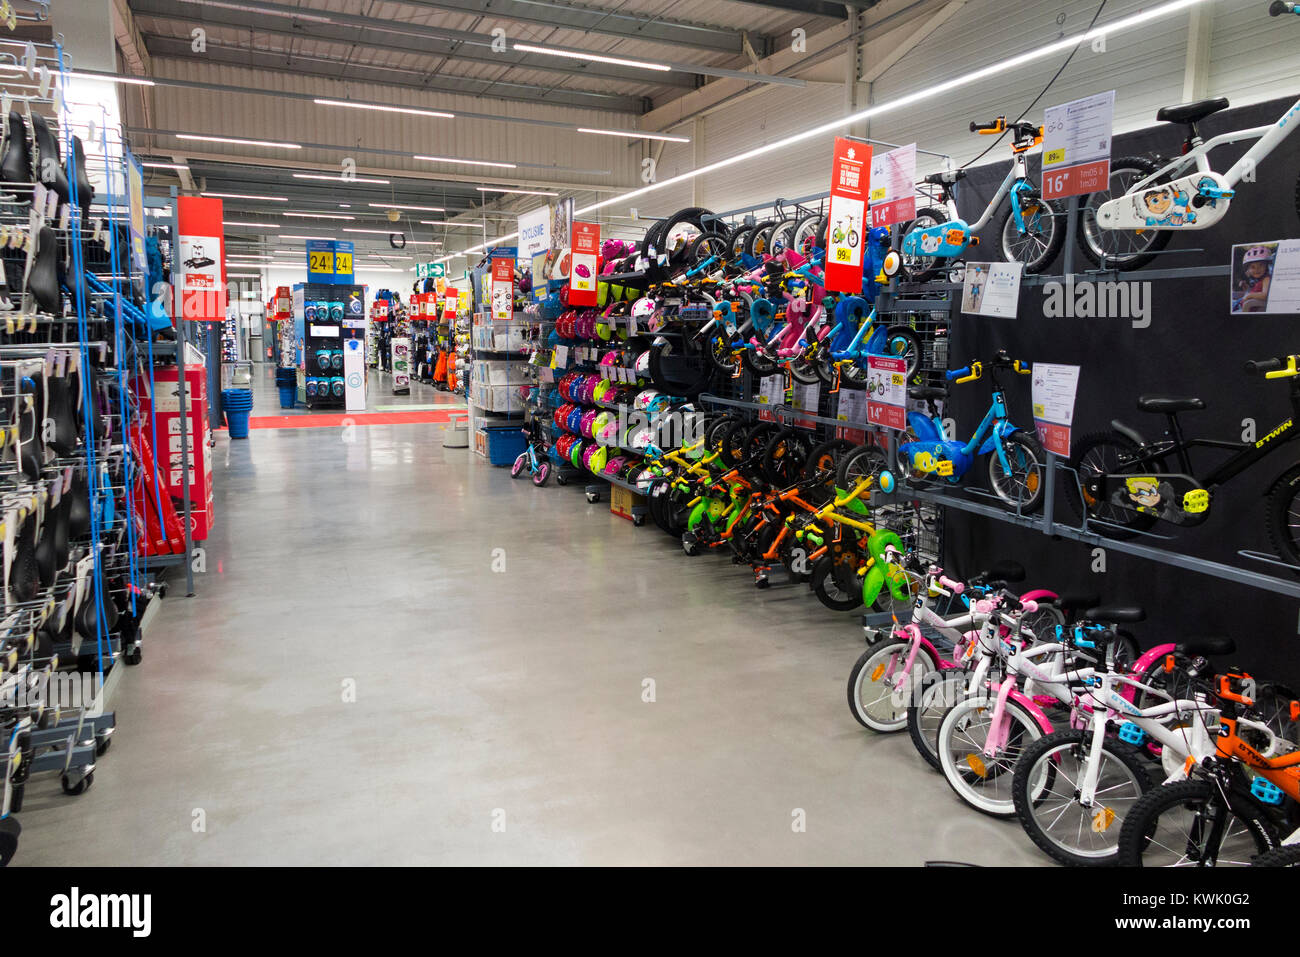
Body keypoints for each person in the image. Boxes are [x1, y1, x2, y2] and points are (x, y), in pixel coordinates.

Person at [1234, 245, 1275, 312]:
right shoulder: (1259, 280)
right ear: (1248, 269)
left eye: (1261, 265)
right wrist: (1246, 288)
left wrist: (1249, 295)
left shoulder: (1266, 279)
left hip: (1247, 308)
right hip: (1240, 304)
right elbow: (1255, 292)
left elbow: (1265, 295)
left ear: (1266, 266)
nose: (1257, 269)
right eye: (1253, 267)